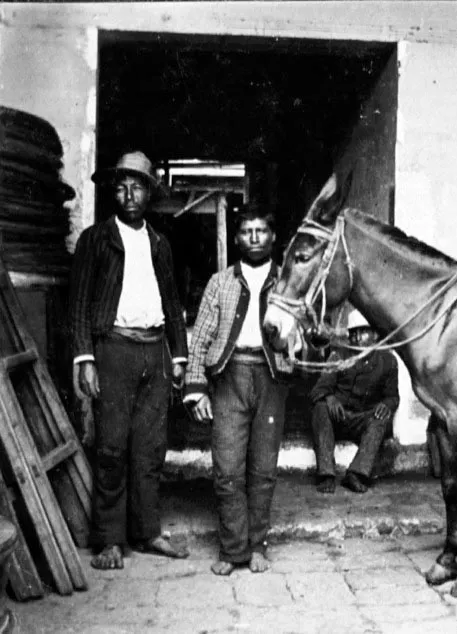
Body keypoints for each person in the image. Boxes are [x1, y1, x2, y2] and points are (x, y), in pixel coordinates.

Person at [68, 150, 189, 570]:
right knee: (112, 447)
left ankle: (149, 532)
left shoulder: (159, 243)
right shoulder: (95, 239)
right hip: (113, 351)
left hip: (155, 352)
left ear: (150, 192)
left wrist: (179, 356)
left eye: (137, 185)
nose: (128, 193)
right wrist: (85, 358)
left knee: (150, 449)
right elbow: (79, 303)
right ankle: (109, 540)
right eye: (120, 185)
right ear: (112, 192)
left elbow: (172, 302)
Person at [184, 205, 291, 576]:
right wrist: (196, 388)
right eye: (247, 231)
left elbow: (306, 336)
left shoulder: (288, 281)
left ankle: (257, 546)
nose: (255, 238)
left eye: (262, 230)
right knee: (228, 468)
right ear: (237, 238)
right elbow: (201, 339)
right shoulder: (220, 283)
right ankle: (232, 551)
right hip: (230, 376)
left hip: (272, 377)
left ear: (273, 236)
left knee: (263, 469)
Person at [309, 310, 399, 494]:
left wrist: (387, 405)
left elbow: (393, 396)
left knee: (381, 416)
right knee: (320, 408)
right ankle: (326, 474)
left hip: (363, 421)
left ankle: (356, 474)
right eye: (353, 333)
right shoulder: (338, 355)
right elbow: (317, 390)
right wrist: (330, 397)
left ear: (375, 335)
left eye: (362, 332)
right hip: (338, 418)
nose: (357, 337)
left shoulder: (387, 361)